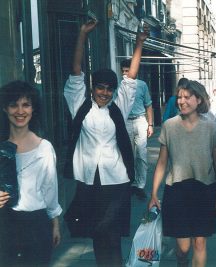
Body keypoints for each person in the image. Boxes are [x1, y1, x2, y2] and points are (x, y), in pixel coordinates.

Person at [63, 19, 148, 267]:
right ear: (93, 88)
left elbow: (131, 77)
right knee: (97, 233)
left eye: (109, 89)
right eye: (100, 88)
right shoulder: (80, 105)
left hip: (116, 179)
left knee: (111, 234)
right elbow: (76, 70)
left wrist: (139, 43)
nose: (105, 93)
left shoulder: (118, 108)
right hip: (89, 178)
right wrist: (81, 34)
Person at [148, 80, 216, 267]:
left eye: (187, 97)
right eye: (179, 97)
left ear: (198, 100)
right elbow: (162, 162)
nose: (181, 101)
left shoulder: (211, 127)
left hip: (205, 189)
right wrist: (153, 194)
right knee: (182, 248)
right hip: (176, 190)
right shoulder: (169, 126)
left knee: (200, 243)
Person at [0, 80, 62, 266]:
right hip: (5, 224)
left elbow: (50, 190)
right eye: (14, 105)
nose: (20, 111)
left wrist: (55, 223)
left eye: (26, 105)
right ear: (5, 108)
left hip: (36, 224)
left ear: (33, 109)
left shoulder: (44, 148)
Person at [120, 59, 154, 200]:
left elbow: (149, 105)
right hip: (126, 122)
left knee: (141, 154)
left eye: (127, 71)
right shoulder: (119, 85)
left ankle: (140, 185)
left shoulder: (142, 85)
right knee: (127, 154)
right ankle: (129, 182)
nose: (124, 74)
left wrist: (150, 124)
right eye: (122, 71)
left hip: (140, 120)